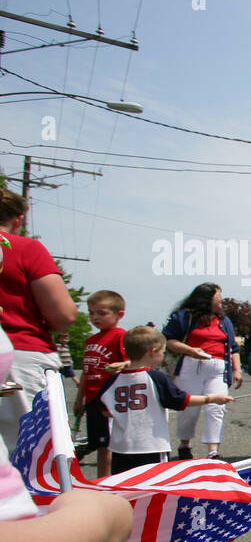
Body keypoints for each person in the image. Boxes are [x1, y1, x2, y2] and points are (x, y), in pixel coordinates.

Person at [0, 190, 78, 451]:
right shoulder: (26, 248)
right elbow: (63, 314)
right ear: (18, 219)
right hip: (18, 355)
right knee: (30, 453)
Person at [101, 326, 233, 475]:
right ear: (153, 352)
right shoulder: (156, 378)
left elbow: (106, 411)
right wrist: (212, 398)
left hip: (120, 448)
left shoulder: (112, 381)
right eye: (162, 352)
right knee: (153, 488)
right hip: (151, 446)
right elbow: (181, 400)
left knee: (125, 488)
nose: (163, 356)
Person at [162, 283, 242, 460]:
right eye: (217, 296)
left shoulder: (224, 321)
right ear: (206, 299)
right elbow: (169, 341)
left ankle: (213, 450)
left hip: (218, 367)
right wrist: (190, 350)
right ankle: (185, 444)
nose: (221, 299)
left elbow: (233, 348)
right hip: (191, 365)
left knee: (217, 407)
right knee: (189, 408)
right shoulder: (184, 317)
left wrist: (237, 370)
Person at [75, 290, 129, 478]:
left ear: (119, 314)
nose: (94, 317)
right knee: (99, 443)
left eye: (101, 313)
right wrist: (79, 398)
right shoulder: (90, 340)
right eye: (91, 313)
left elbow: (133, 362)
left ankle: (106, 481)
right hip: (92, 398)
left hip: (109, 399)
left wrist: (122, 364)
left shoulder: (120, 336)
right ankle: (101, 480)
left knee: (107, 444)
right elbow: (85, 371)